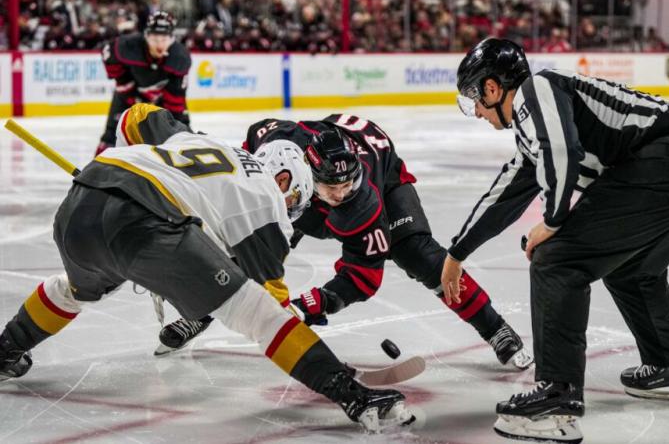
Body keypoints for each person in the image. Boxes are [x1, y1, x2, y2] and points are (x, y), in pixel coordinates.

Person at [0, 104, 414, 433]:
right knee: (254, 312)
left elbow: (136, 117)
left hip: (81, 201)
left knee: (74, 289)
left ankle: (5, 351)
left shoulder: (201, 140)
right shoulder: (270, 208)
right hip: (143, 225)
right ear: (290, 184)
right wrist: (327, 366)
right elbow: (274, 315)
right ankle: (352, 397)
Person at [443, 38, 669, 443]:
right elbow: (505, 194)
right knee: (633, 269)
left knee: (556, 258)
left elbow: (560, 150)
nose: (475, 111)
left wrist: (553, 220)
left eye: (474, 98)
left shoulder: (536, 89)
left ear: (493, 89)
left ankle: (556, 400)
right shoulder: (532, 125)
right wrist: (457, 253)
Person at [161, 114, 533, 370]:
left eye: (346, 185)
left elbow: (364, 277)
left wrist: (312, 304)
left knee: (420, 256)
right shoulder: (280, 149)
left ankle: (496, 328)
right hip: (312, 181)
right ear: (305, 172)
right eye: (331, 187)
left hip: (385, 177)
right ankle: (200, 311)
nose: (340, 194)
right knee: (253, 241)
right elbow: (258, 137)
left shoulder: (361, 200)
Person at [96, 11, 191, 155]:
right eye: (154, 39)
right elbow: (108, 55)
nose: (159, 45)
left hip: (161, 99)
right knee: (111, 136)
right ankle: (98, 173)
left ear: (172, 39)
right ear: (146, 36)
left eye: (164, 39)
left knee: (180, 135)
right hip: (129, 95)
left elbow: (175, 102)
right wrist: (127, 88)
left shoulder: (180, 57)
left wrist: (174, 127)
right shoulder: (129, 45)